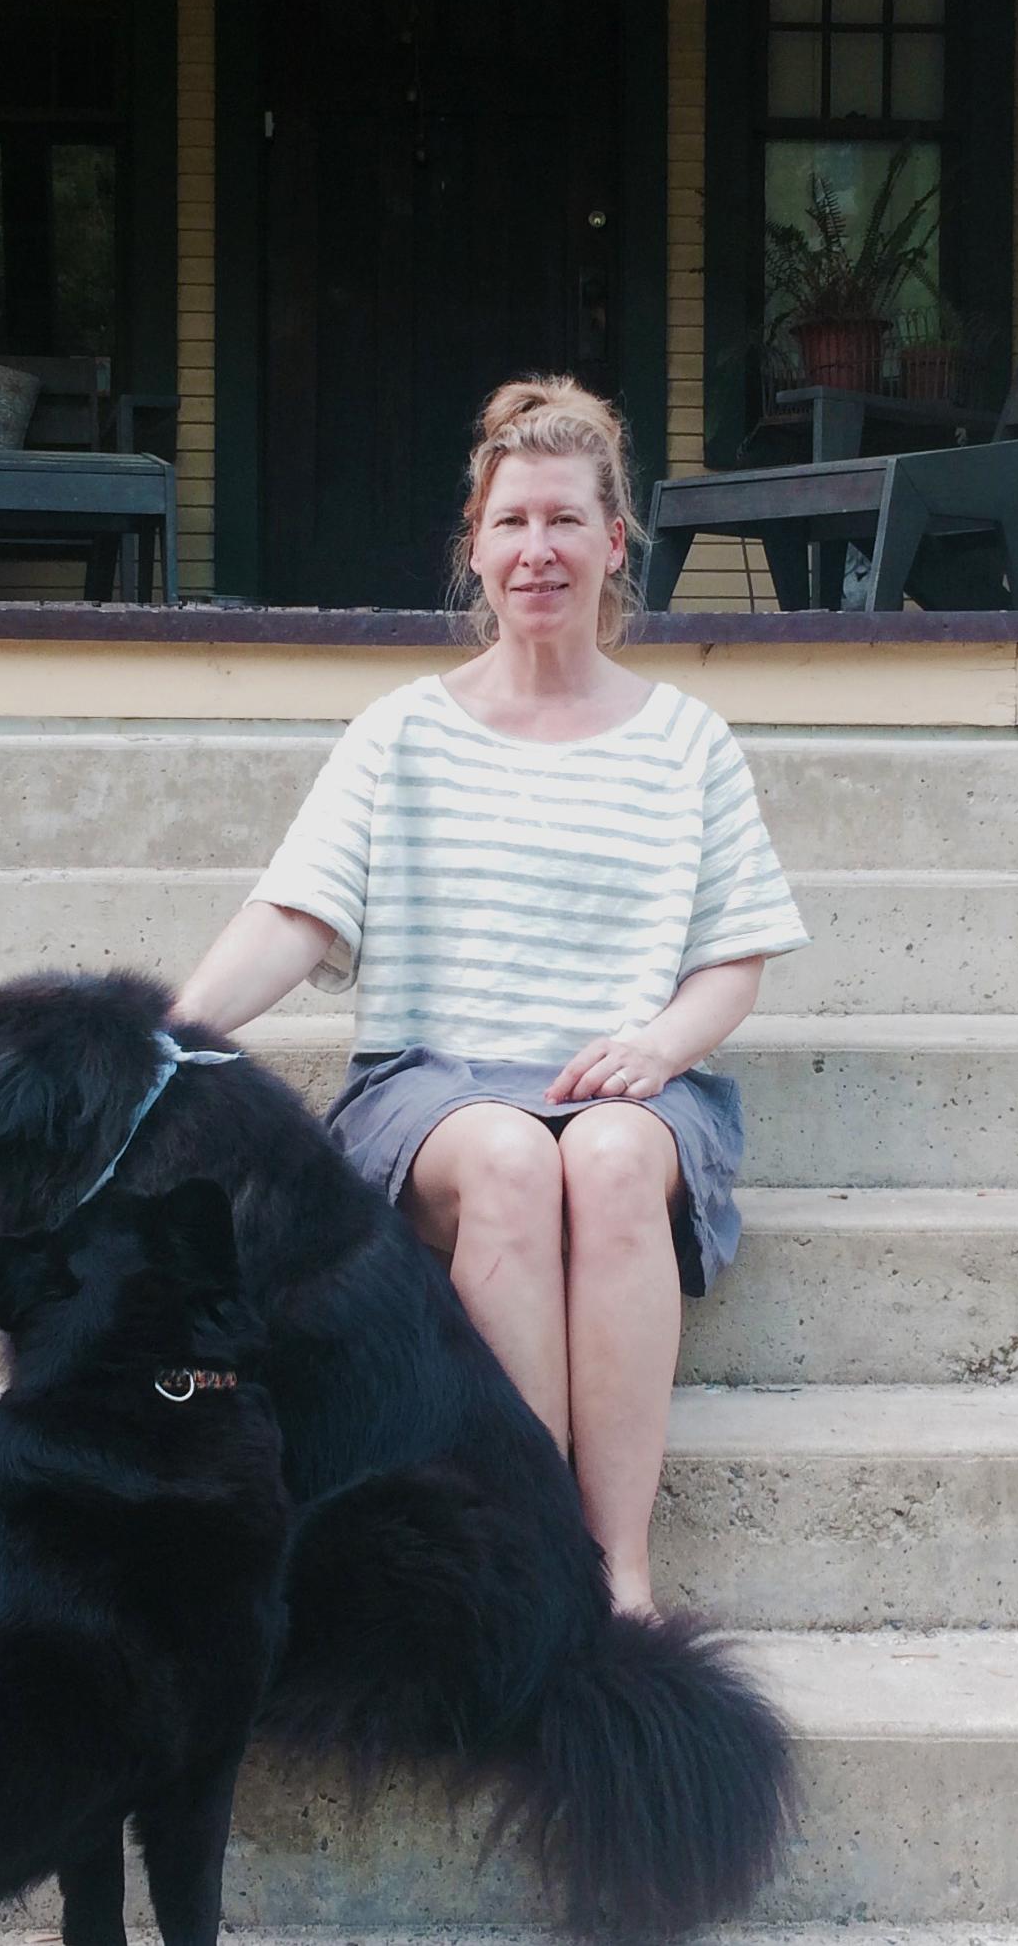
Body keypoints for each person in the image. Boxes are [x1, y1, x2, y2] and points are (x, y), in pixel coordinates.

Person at [170, 376, 809, 1618]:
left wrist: (659, 1046)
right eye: (511, 522)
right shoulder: (401, 731)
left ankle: (617, 1569)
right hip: (438, 1085)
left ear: (614, 542)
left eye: (565, 520)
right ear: (475, 543)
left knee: (614, 1158)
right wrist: (176, 1030)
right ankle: (528, 1547)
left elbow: (735, 950)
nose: (538, 551)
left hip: (621, 1072)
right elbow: (297, 913)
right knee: (516, 1162)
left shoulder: (686, 740)